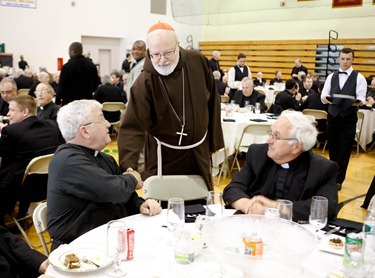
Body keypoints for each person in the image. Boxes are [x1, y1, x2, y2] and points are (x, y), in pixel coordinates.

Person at [117, 21, 224, 190]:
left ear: (178, 46)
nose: (162, 60)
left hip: (198, 151)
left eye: (168, 53)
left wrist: (213, 141)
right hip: (163, 156)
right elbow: (132, 126)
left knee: (201, 204)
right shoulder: (144, 82)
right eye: (156, 54)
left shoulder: (197, 62)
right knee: (164, 209)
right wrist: (129, 164)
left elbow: (212, 103)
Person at [47, 100, 161, 250]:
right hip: (77, 249)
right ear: (85, 131)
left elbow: (123, 196)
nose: (108, 124)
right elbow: (113, 190)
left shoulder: (104, 158)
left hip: (110, 239)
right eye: (101, 119)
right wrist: (133, 178)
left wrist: (139, 204)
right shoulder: (67, 161)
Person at [223, 110, 338, 222]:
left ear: (296, 147)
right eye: (271, 133)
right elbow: (232, 189)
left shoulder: (322, 169)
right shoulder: (257, 154)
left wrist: (274, 207)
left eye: (276, 136)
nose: (269, 140)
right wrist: (249, 206)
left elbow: (327, 208)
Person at [0, 95, 63, 226]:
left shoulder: (11, 131)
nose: (8, 114)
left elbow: (4, 158)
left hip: (21, 190)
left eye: (12, 110)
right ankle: (21, 216)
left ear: (24, 112)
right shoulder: (52, 126)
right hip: (50, 186)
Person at [321, 48, 367, 190]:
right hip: (333, 117)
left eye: (348, 59)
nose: (345, 62)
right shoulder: (331, 77)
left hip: (348, 118)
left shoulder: (359, 78)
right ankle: (331, 177)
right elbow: (323, 97)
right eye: (343, 59)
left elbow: (361, 99)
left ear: (352, 60)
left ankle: (339, 180)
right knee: (333, 148)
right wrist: (329, 100)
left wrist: (352, 101)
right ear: (338, 59)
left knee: (344, 150)